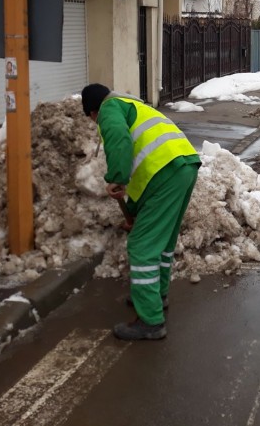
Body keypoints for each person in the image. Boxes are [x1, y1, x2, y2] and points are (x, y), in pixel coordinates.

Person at [81, 83, 201, 341]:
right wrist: (134, 212)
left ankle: (150, 320)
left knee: (142, 246)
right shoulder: (133, 106)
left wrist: (116, 177)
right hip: (183, 166)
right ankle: (157, 295)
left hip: (166, 172)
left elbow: (119, 140)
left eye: (92, 118)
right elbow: (143, 177)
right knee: (163, 241)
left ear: (92, 112)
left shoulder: (109, 109)